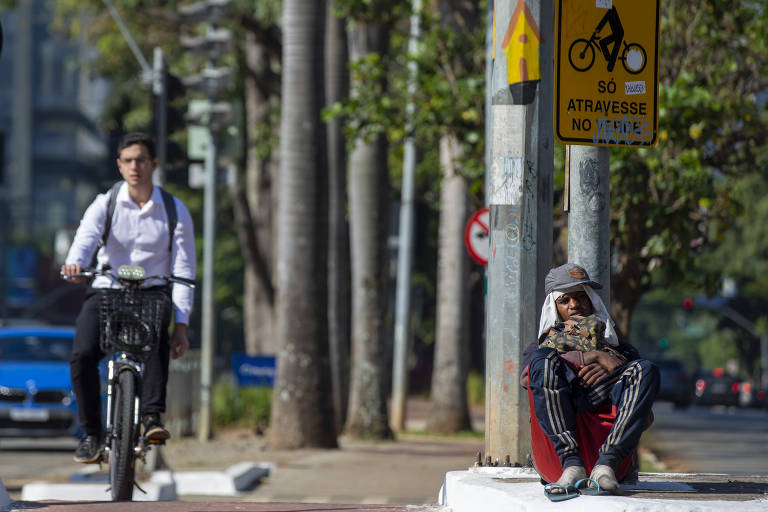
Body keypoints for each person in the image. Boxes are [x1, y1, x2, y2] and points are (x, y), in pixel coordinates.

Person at [61, 132, 196, 463]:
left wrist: (181, 325)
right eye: (128, 160)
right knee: (81, 356)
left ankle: (151, 418)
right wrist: (75, 262)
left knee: (156, 340)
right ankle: (91, 434)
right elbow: (85, 240)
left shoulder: (174, 210)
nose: (135, 166)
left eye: (141, 160)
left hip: (153, 292)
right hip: (108, 289)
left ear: (154, 164)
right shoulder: (104, 204)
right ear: (119, 165)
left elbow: (183, 269)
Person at [522, 263, 659, 494]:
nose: (574, 305)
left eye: (580, 297)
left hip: (612, 462)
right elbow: (531, 380)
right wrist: (590, 356)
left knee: (646, 369)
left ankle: (606, 464)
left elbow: (642, 403)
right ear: (554, 308)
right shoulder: (537, 350)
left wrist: (612, 363)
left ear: (591, 301)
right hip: (557, 458)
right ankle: (572, 464)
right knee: (543, 361)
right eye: (565, 300)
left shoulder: (621, 350)